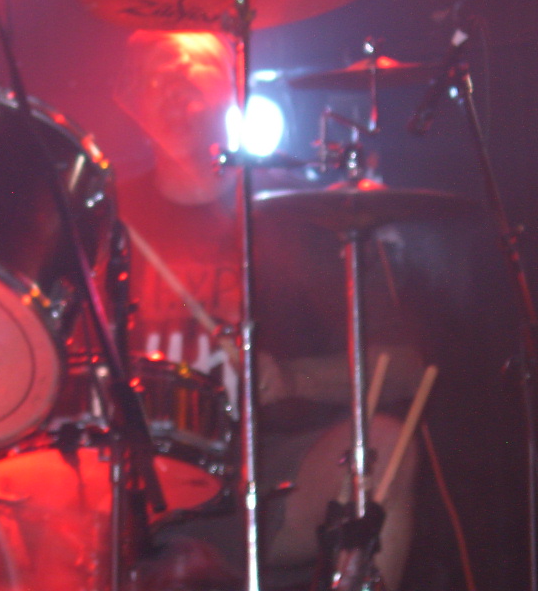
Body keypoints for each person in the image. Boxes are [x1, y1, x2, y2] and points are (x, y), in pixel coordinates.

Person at [113, 29, 425, 590]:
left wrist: (294, 379)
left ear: (235, 89)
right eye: (157, 73)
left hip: (267, 480)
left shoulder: (299, 214)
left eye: (192, 67)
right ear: (130, 102)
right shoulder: (105, 217)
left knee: (384, 448)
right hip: (129, 486)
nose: (175, 85)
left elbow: (403, 368)